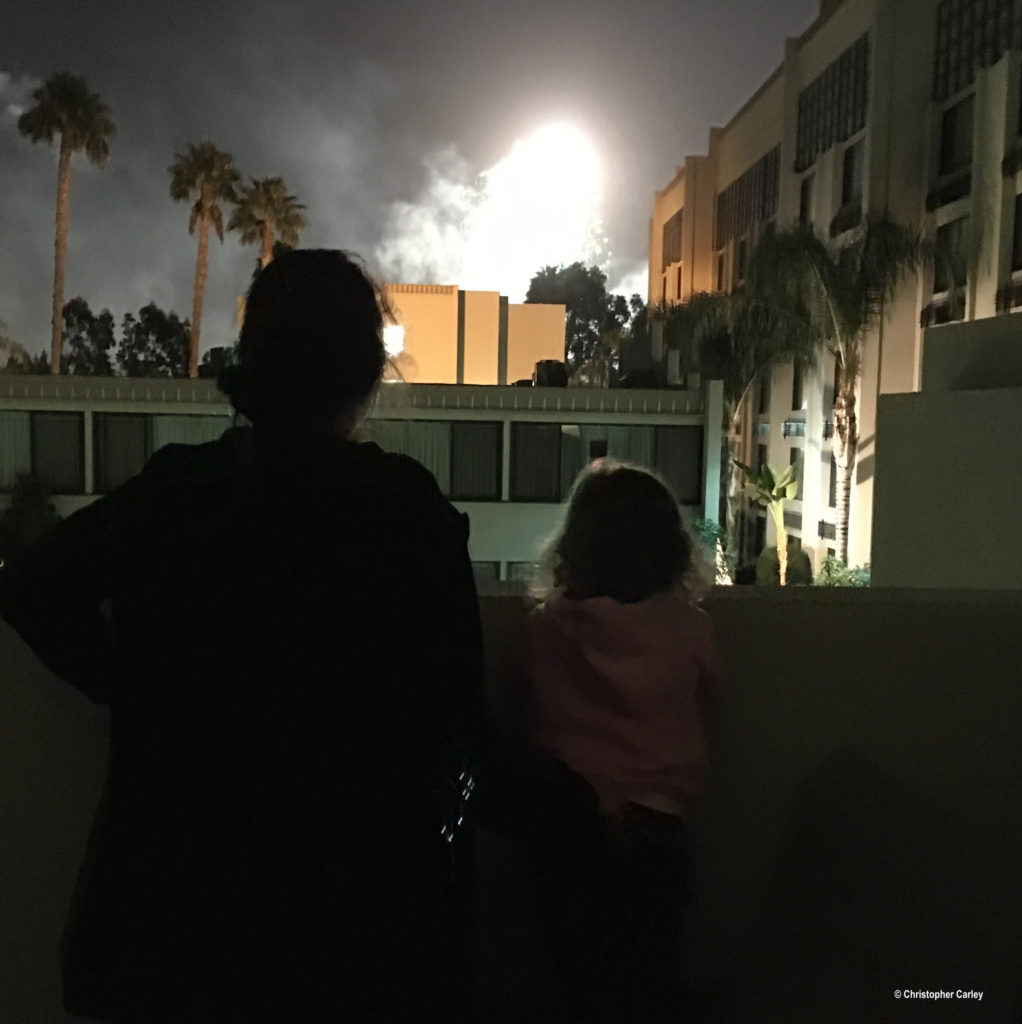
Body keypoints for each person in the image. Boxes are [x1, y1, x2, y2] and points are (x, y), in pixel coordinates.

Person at [0, 249, 483, 1024]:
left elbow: (31, 586)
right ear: (366, 372)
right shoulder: (408, 515)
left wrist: (134, 688)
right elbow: (459, 727)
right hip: (361, 931)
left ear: (252, 368)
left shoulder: (182, 495)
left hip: (178, 927)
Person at [522, 459, 720, 1023]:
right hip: (656, 828)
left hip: (568, 820)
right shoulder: (689, 626)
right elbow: (711, 688)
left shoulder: (549, 625)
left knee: (578, 973)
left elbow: (531, 693)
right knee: (654, 969)